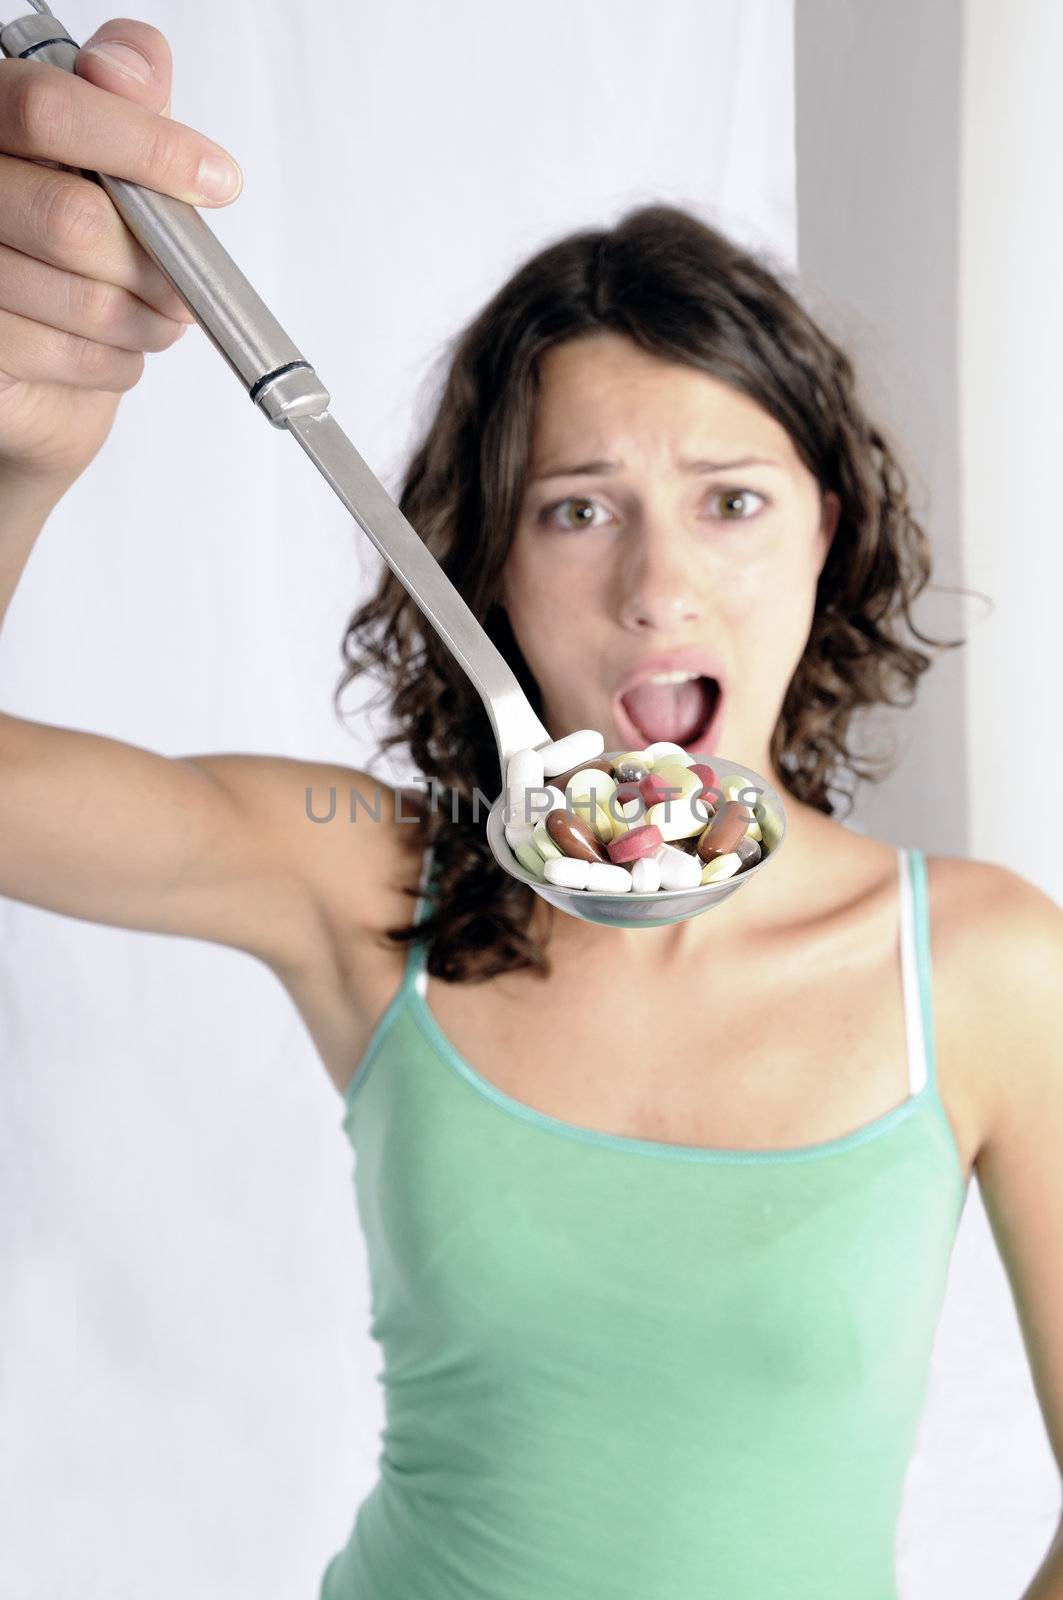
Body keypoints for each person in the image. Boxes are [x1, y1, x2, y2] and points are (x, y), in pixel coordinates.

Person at [1, 19, 1061, 1600]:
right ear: (487, 562)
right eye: (580, 510)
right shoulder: (367, 883)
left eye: (731, 500)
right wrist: (26, 458)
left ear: (823, 537)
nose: (659, 588)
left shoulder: (980, 964)